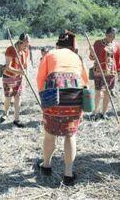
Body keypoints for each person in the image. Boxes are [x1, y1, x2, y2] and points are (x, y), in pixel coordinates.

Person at [36, 31, 89, 186]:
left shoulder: (50, 54)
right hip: (74, 96)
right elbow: (85, 80)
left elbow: (40, 78)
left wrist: (43, 99)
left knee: (49, 135)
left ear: (57, 45)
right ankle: (68, 174)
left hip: (54, 96)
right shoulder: (77, 57)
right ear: (72, 46)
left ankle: (46, 166)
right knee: (70, 135)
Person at [89, 27, 120, 120]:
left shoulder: (116, 45)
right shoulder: (98, 43)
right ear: (106, 34)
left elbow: (118, 59)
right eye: (110, 35)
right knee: (98, 93)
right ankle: (94, 113)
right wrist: (91, 51)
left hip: (111, 72)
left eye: (113, 36)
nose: (111, 38)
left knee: (108, 93)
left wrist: (119, 73)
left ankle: (103, 113)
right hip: (99, 71)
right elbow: (91, 58)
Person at [0, 33, 30, 128]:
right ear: (20, 42)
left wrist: (25, 72)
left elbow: (25, 65)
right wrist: (19, 71)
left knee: (18, 97)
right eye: (25, 45)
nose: (26, 47)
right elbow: (7, 67)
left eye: (27, 45)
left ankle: (16, 120)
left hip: (19, 79)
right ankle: (5, 113)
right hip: (8, 77)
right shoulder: (11, 49)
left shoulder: (25, 51)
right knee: (8, 98)